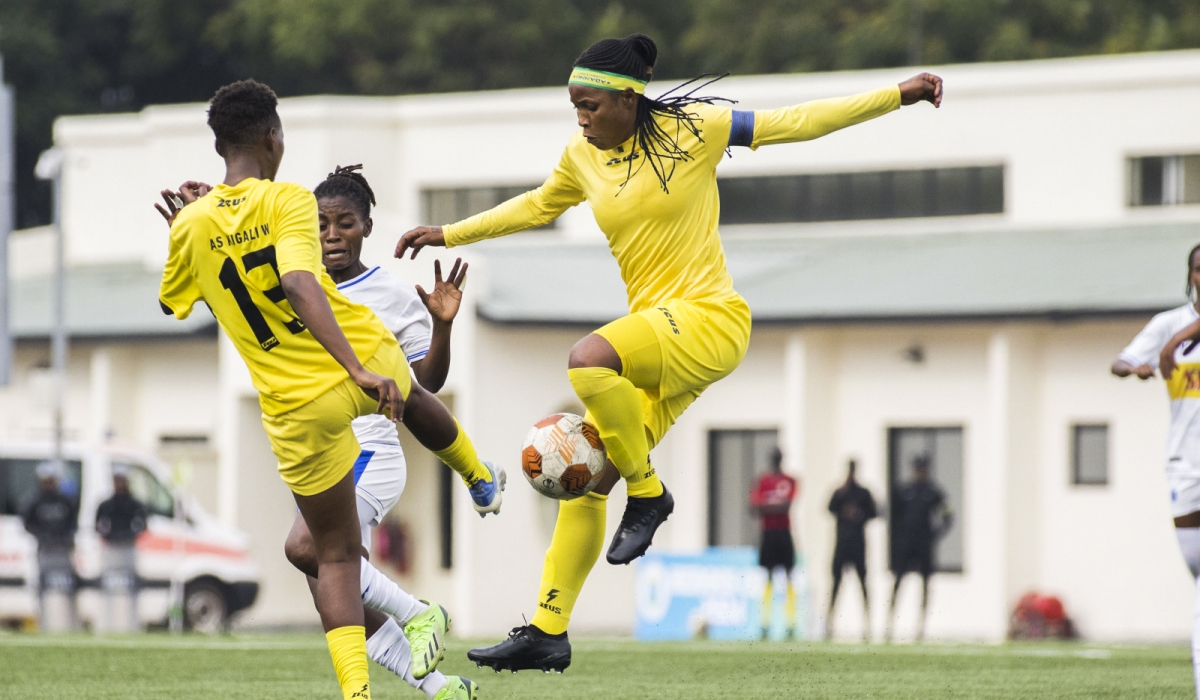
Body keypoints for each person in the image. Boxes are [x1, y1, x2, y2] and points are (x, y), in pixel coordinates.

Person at [396, 33, 941, 672]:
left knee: (588, 359)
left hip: (711, 321)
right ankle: (548, 630)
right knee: (590, 475)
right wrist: (450, 232)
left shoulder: (697, 129)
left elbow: (797, 124)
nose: (580, 116)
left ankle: (649, 494)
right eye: (573, 105)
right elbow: (538, 205)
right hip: (660, 335)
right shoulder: (582, 156)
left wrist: (896, 96)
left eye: (590, 104)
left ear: (629, 98)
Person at [156, 80, 500, 700]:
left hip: (292, 403)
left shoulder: (193, 226)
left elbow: (183, 299)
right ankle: (435, 678)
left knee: (327, 553)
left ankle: (473, 489)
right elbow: (295, 279)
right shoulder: (286, 200)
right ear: (273, 137)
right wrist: (355, 369)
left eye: (344, 223)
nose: (331, 232)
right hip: (350, 363)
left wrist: (194, 225)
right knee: (317, 559)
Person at [1116, 242, 1200, 699]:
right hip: (1186, 469)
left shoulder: (1178, 333)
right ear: (1189, 275)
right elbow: (1120, 361)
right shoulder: (1166, 322)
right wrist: (1136, 365)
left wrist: (1176, 344)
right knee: (1197, 569)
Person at [884, 455, 951, 642]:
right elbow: (892, 515)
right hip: (906, 544)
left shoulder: (933, 492)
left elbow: (948, 514)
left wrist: (936, 534)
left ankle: (921, 626)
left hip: (923, 545)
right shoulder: (904, 491)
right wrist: (898, 537)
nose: (920, 472)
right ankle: (889, 624)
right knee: (898, 582)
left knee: (925, 584)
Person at [20, 460, 79, 630]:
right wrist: (43, 536)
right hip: (45, 550)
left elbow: (72, 523)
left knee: (66, 586)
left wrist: (65, 539)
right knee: (44, 587)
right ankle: (45, 622)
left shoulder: (64, 500)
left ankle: (70, 623)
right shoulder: (34, 500)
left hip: (62, 551)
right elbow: (27, 523)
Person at [749, 447, 799, 639]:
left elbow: (785, 506)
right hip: (768, 533)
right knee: (769, 577)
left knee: (787, 577)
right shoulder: (762, 480)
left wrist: (767, 506)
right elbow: (753, 508)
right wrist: (774, 507)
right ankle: (765, 623)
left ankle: (790, 623)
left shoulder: (789, 480)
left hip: (782, 532)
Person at [826, 459, 877, 641]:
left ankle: (868, 623)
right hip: (842, 543)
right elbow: (829, 508)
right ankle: (829, 623)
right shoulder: (840, 492)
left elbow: (874, 512)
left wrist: (859, 514)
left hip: (858, 544)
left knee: (862, 582)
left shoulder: (863, 493)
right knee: (836, 583)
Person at [95, 463, 149, 632]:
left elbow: (142, 525)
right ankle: (107, 625)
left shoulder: (134, 505)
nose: (119, 483)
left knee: (129, 588)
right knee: (109, 588)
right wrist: (110, 536)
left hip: (127, 549)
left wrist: (128, 535)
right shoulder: (106, 505)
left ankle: (131, 625)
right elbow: (98, 525)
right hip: (111, 549)